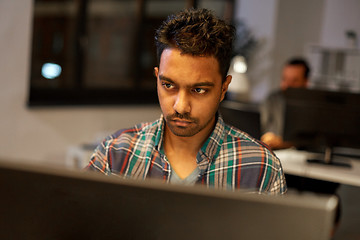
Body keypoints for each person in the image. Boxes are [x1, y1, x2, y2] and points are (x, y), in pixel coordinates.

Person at [86, 8, 286, 194]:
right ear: (157, 78)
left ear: (223, 88)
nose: (180, 106)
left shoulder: (260, 168)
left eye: (199, 90)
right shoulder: (117, 153)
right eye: (169, 86)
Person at [261, 58, 310, 150]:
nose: (287, 85)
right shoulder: (273, 99)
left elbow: (310, 140)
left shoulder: (311, 104)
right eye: (284, 79)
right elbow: (267, 131)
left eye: (294, 81)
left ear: (306, 82)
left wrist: (286, 143)